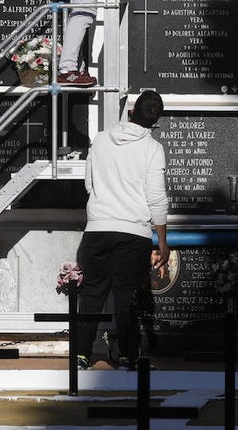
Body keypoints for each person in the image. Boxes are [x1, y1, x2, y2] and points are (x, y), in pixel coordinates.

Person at [74, 90, 169, 370]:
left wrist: (105, 205)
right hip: (133, 232)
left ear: (131, 112)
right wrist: (162, 240)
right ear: (156, 120)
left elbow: (89, 184)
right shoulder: (152, 149)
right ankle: (127, 355)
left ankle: (81, 355)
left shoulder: (102, 139)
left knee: (91, 294)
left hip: (98, 228)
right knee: (125, 296)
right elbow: (156, 197)